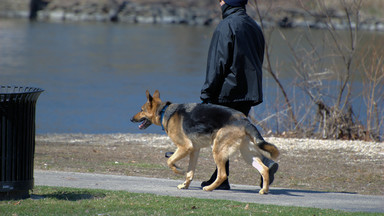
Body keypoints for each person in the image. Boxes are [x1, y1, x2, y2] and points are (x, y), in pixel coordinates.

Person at [199, 0, 278, 190]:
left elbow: (218, 63)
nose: (220, 2)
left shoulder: (226, 25)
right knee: (235, 133)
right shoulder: (254, 26)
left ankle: (258, 165)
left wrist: (207, 92)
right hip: (248, 92)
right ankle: (222, 178)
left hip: (227, 92)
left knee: (222, 134)